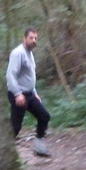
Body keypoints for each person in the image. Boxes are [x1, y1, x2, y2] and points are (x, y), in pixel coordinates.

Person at [6, 27, 52, 157]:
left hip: (29, 94)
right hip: (18, 94)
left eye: (36, 38)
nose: (34, 40)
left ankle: (38, 147)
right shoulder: (18, 53)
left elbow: (29, 76)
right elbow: (10, 75)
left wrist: (34, 92)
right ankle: (6, 153)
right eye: (31, 38)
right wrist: (17, 94)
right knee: (15, 127)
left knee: (44, 116)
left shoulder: (29, 53)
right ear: (24, 38)